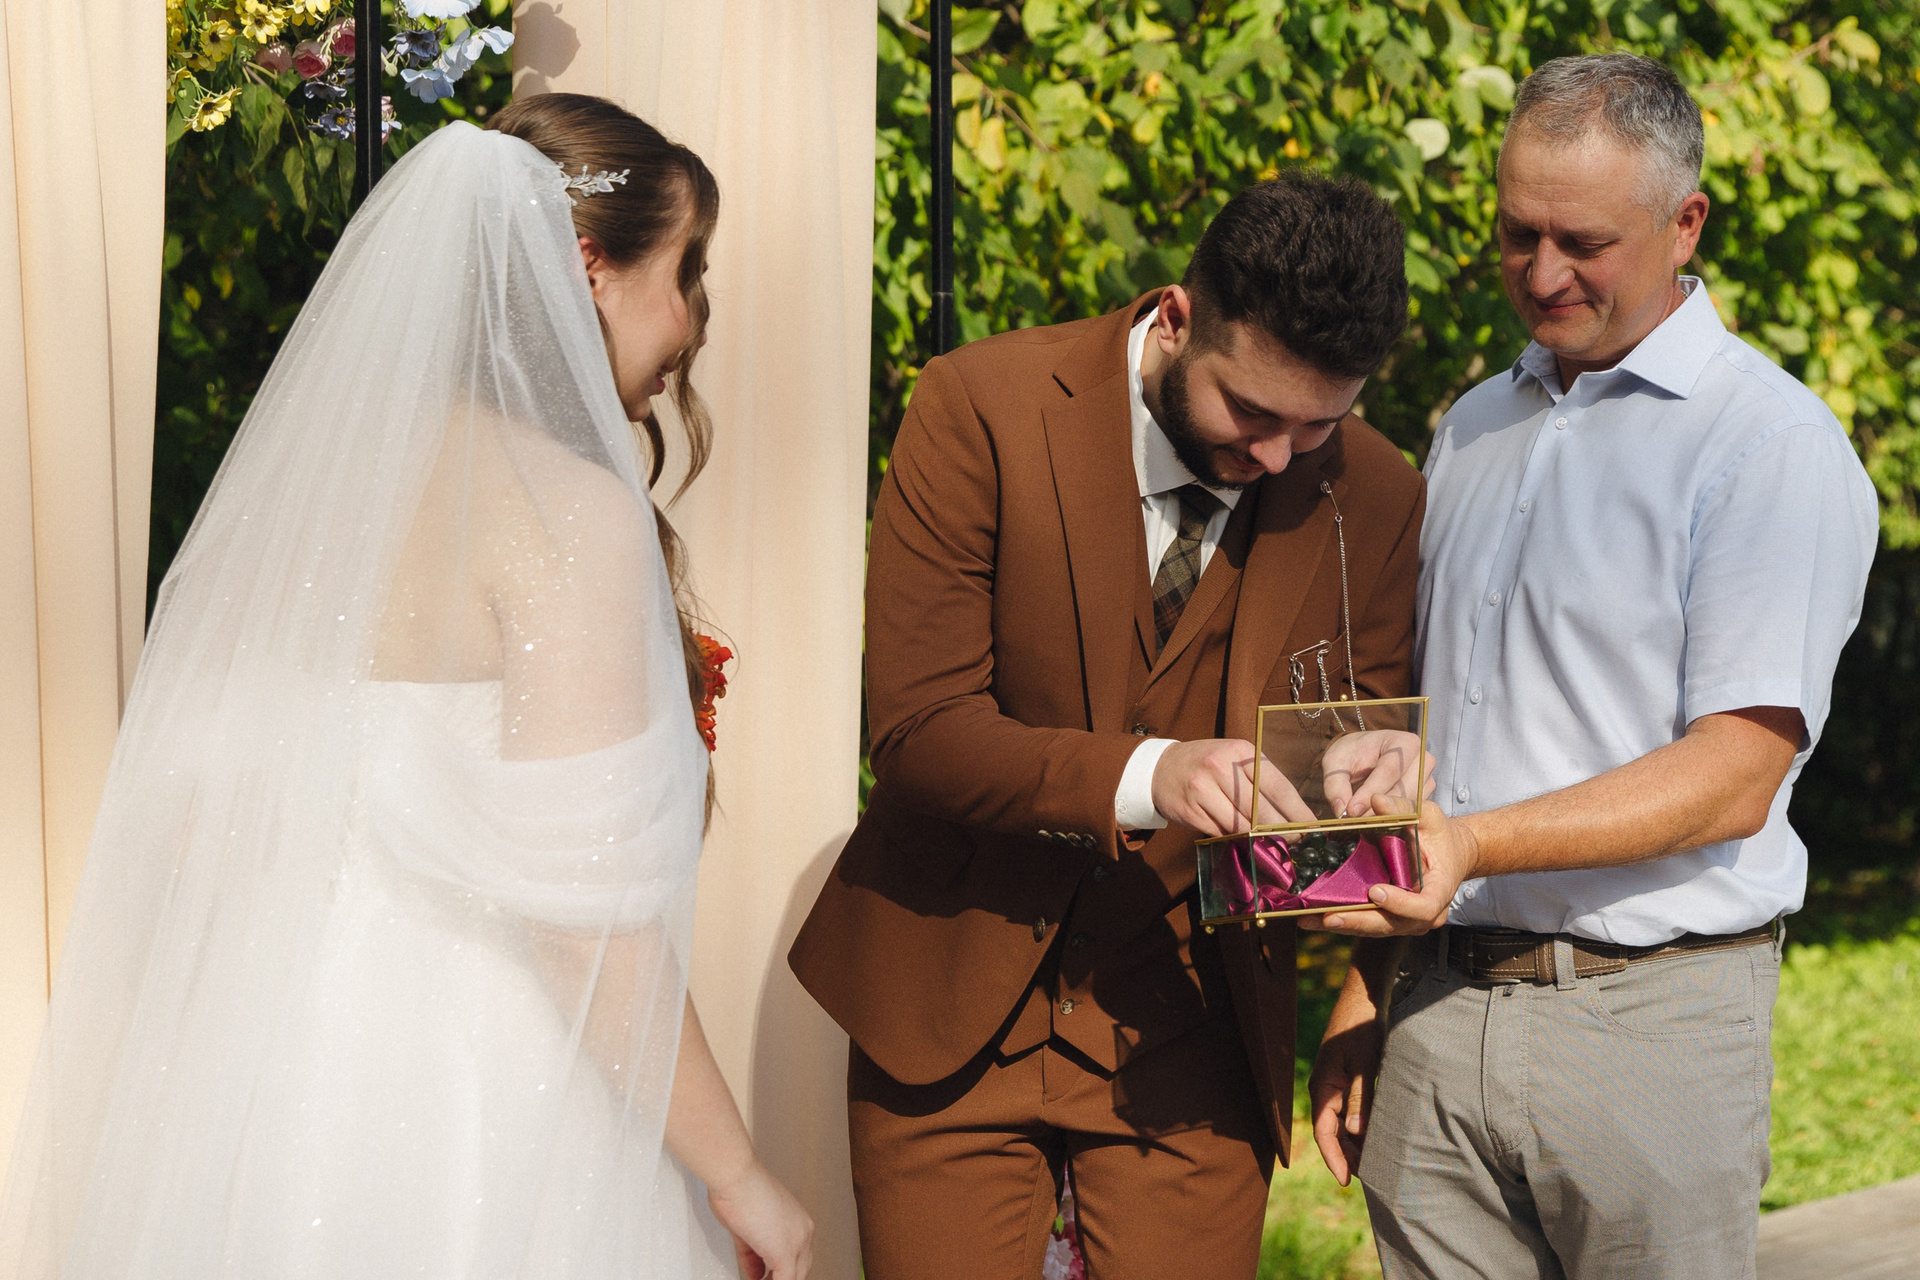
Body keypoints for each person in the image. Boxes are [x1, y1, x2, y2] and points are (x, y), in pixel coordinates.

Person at [0, 96, 811, 1280]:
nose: (692, 316)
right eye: (688, 269)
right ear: (592, 265)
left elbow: (192, 823)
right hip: (478, 1098)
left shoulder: (313, 499)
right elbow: (578, 921)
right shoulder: (564, 514)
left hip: (269, 1088)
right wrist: (742, 1175)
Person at [789, 175, 1426, 1277]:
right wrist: (1150, 775)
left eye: (1319, 423)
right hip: (946, 1010)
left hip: (1196, 1033)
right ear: (1177, 318)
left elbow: (1341, 783)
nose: (1279, 456)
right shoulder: (978, 403)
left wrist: (1371, 791)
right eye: (1251, 412)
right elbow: (919, 728)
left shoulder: (1374, 494)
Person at [1306, 54, 1879, 1278]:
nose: (1541, 271)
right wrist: (1368, 984)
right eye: (1518, 232)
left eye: (1584, 242)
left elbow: (1734, 775)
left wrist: (1468, 846)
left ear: (1686, 224)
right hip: (1437, 1009)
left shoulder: (1768, 446)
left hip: (1651, 1026)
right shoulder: (1474, 424)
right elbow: (1435, 732)